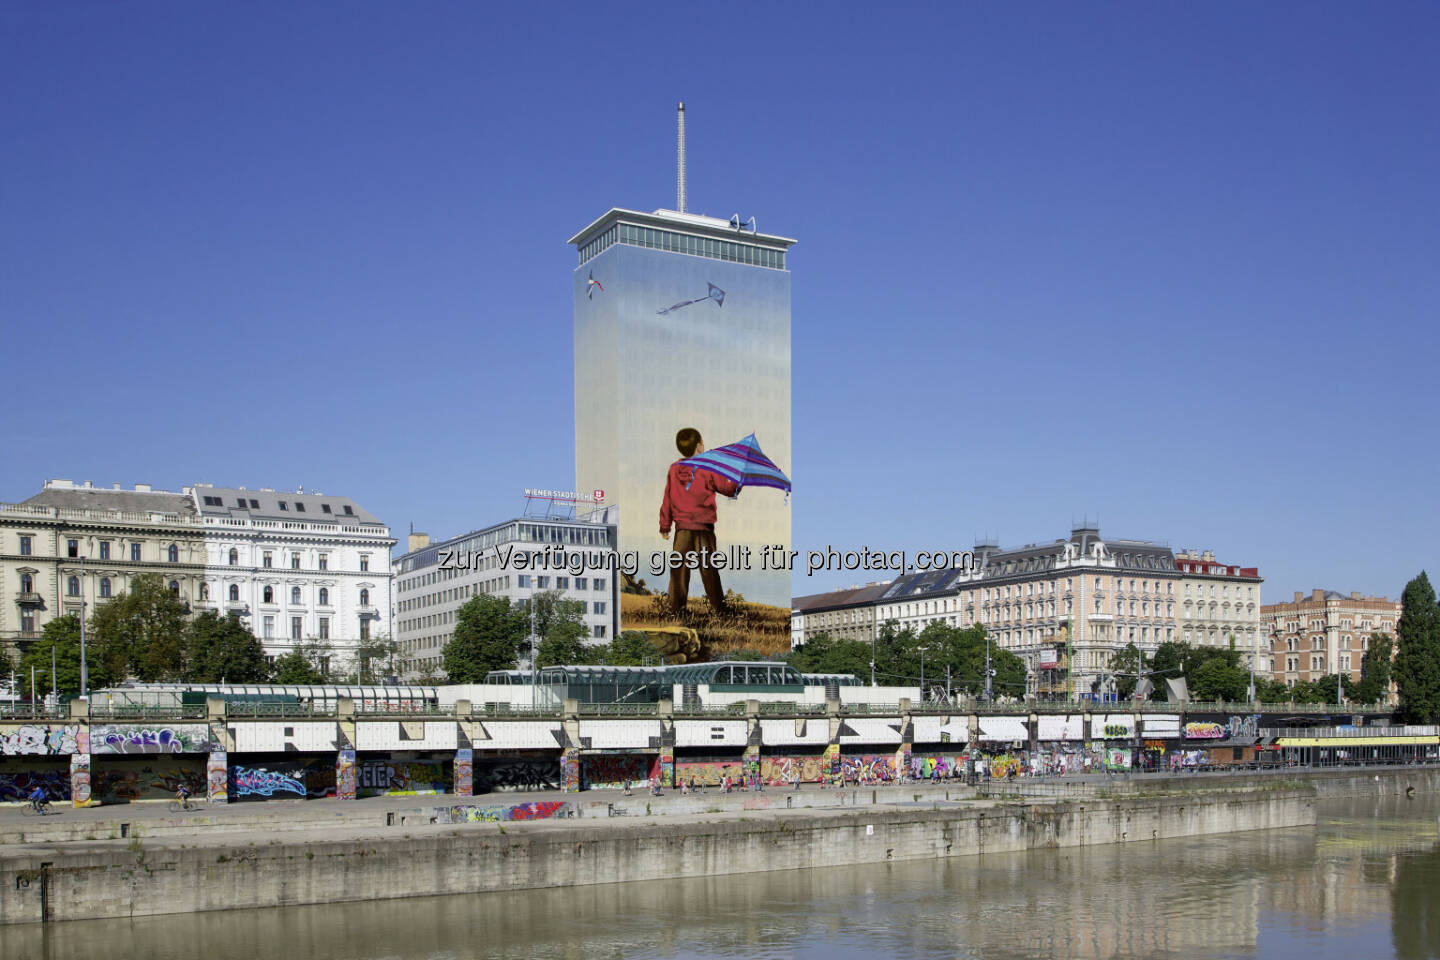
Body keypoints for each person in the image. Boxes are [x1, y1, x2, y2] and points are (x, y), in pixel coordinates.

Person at [659, 428, 740, 617]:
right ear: (699, 446)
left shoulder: (673, 469)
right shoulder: (708, 467)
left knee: (678, 570)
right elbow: (727, 489)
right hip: (704, 529)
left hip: (682, 530)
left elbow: (667, 500)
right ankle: (719, 610)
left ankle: (676, 610)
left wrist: (665, 526)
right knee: (709, 569)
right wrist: (738, 479)